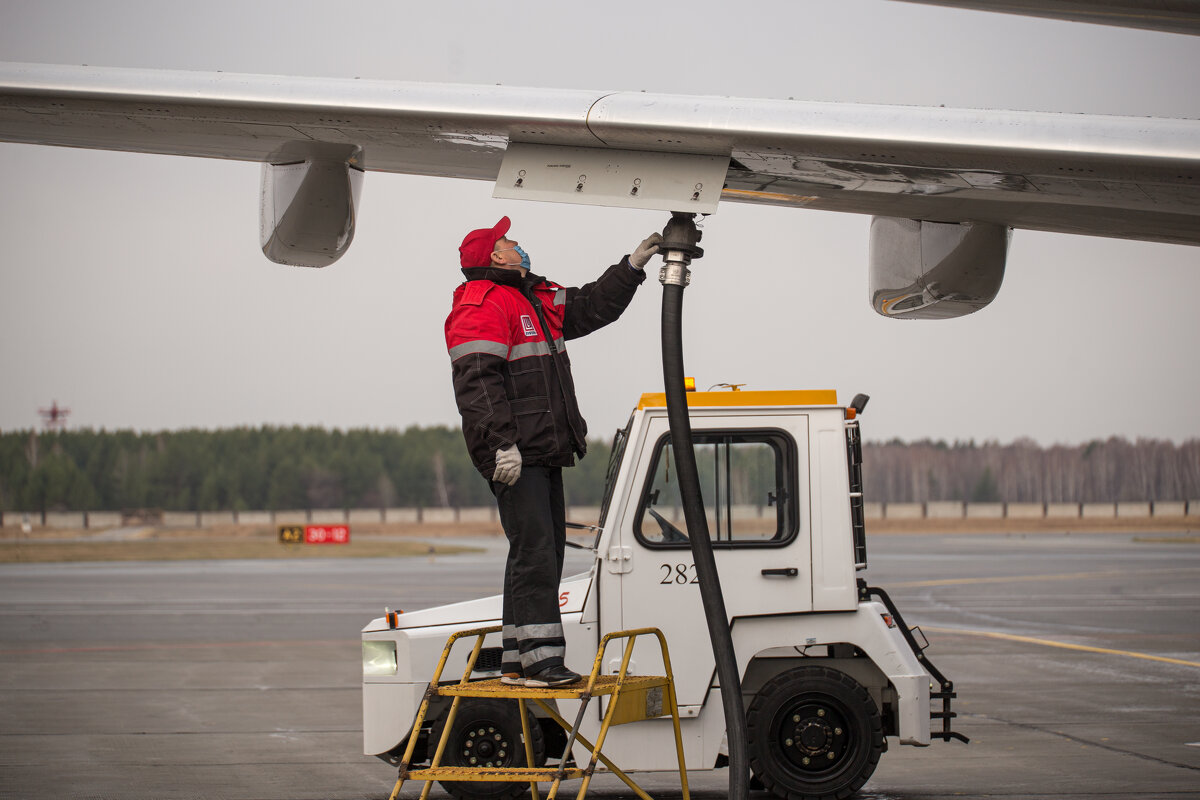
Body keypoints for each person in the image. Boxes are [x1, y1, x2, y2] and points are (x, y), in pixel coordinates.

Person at [445, 216, 661, 687]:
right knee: (537, 553)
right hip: (516, 452)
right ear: (494, 257)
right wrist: (501, 444)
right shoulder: (482, 303)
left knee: (536, 551)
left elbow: (589, 306)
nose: (518, 243)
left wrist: (631, 267)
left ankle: (517, 660)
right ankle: (542, 662)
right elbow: (477, 382)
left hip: (541, 449)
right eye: (507, 240)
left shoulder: (533, 299)